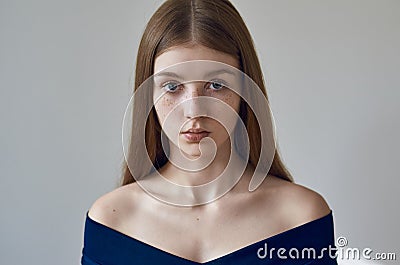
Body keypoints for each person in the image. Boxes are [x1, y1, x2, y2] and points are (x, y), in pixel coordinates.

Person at [81, 0, 338, 264]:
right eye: (172, 87)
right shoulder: (111, 222)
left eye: (216, 85)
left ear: (245, 91)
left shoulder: (301, 218)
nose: (194, 109)